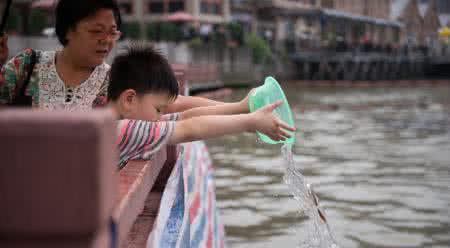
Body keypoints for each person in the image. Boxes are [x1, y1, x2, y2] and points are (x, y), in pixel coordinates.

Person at [0, 0, 247, 111]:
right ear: (67, 30)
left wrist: (239, 108)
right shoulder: (26, 66)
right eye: (96, 31)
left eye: (112, 32)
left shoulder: (116, 80)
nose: (106, 41)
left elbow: (175, 103)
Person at [108, 46, 295, 169]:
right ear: (129, 99)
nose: (161, 116)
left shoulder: (129, 120)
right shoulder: (121, 129)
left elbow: (186, 117)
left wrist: (242, 107)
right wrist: (250, 122)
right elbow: (189, 129)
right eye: (159, 109)